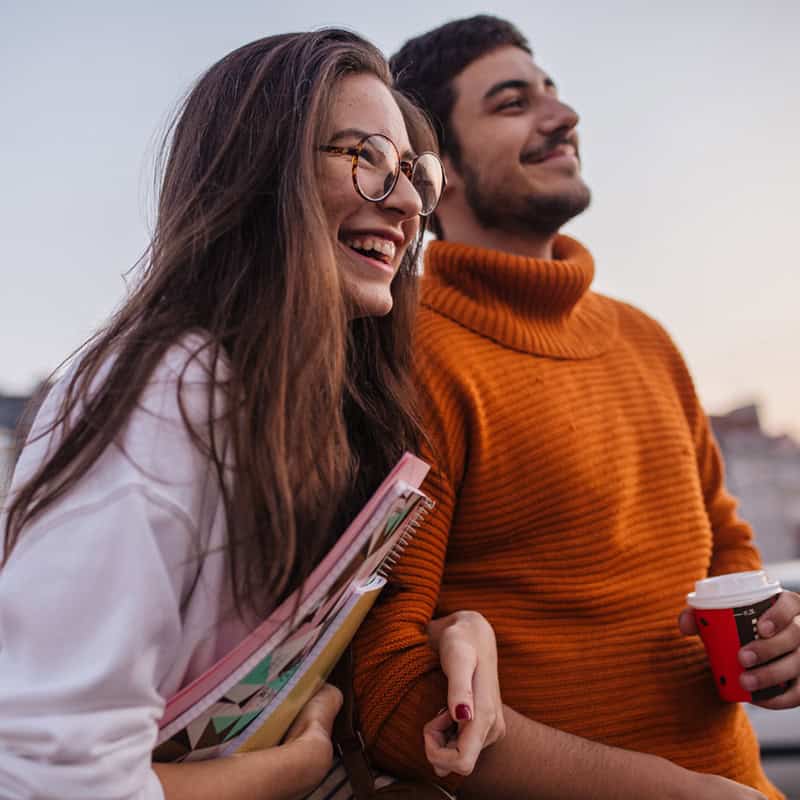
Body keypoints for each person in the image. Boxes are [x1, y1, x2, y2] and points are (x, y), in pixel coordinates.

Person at [0, 30, 504, 800]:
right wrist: (287, 772)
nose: (406, 204)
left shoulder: (300, 406)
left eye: (412, 173)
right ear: (260, 175)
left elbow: (258, 666)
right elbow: (51, 781)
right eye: (365, 157)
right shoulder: (168, 399)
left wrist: (455, 636)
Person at [351, 15, 800, 800]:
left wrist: (776, 644)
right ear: (437, 173)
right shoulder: (409, 358)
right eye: (513, 102)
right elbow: (387, 698)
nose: (563, 116)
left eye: (552, 92)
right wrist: (673, 792)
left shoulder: (645, 339)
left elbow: (724, 540)